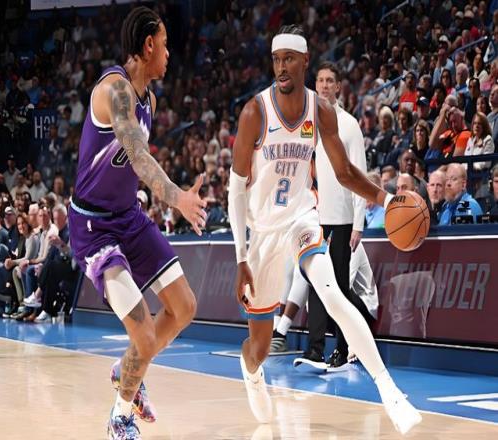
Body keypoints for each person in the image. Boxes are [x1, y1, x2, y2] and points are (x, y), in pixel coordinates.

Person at [228, 25, 421, 435]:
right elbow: (235, 190)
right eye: (276, 60)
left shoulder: (321, 111)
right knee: (258, 347)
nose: (281, 67)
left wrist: (386, 200)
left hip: (301, 216)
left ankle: (389, 390)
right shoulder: (254, 113)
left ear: (305, 62)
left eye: (288, 59)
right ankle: (252, 371)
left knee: (332, 293)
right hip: (262, 231)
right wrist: (241, 257)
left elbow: (345, 172)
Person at [67, 7, 206, 439]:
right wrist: (178, 198)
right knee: (144, 337)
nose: (168, 53)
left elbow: (130, 168)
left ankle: (126, 368)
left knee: (185, 307)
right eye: (164, 45)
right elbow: (139, 157)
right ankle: (119, 418)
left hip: (128, 216)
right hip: (95, 229)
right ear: (148, 45)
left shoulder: (151, 100)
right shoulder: (116, 91)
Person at [288, 61, 371, 372]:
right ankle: (315, 350)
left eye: (329, 81)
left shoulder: (349, 125)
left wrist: (359, 224)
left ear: (338, 87)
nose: (324, 85)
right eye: (320, 80)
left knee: (338, 287)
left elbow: (359, 175)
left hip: (344, 218)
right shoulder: (309, 125)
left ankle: (344, 349)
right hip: (317, 217)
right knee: (315, 282)